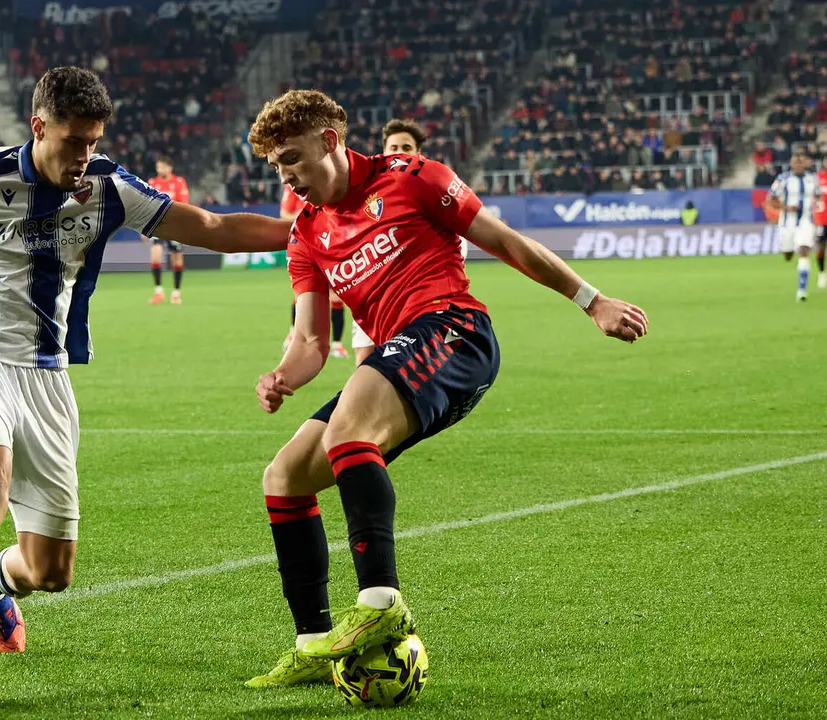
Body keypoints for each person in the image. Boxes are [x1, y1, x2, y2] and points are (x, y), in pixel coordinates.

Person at [0, 66, 291, 705]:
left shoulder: (108, 188)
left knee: (51, 570)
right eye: (72, 142)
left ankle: (2, 587)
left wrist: (321, 232)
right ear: (39, 127)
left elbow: (211, 228)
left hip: (49, 378)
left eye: (93, 141)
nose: (83, 156)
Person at [242, 90, 648, 687]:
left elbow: (505, 240)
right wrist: (282, 377)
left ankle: (382, 604)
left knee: (350, 430)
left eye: (292, 159)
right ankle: (312, 642)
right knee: (284, 476)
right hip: (398, 356)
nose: (287, 176)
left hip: (455, 332)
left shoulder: (413, 178)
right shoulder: (306, 235)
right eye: (276, 166)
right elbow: (310, 342)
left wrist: (592, 302)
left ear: (330, 141)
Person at [350, 119, 432, 365]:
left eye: (406, 148)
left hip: (414, 297)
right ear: (383, 153)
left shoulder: (431, 189)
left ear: (418, 153)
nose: (399, 153)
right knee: (364, 365)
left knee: (414, 368)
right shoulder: (362, 191)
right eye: (393, 148)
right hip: (370, 295)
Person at [280, 184, 348, 359]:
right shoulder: (294, 187)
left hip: (332, 245)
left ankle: (337, 344)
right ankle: (293, 334)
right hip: (306, 247)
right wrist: (308, 218)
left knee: (337, 296)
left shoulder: (325, 182)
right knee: (303, 294)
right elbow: (284, 214)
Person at [764, 153, 821, 302]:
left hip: (806, 221)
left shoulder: (812, 179)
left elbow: (818, 196)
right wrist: (787, 207)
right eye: (795, 163)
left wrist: (818, 206)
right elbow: (770, 200)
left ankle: (802, 290)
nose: (798, 165)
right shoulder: (783, 179)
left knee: (804, 250)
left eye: (801, 163)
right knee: (788, 255)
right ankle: (790, 251)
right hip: (787, 223)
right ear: (791, 165)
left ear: (804, 164)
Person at [145, 157, 190, 304]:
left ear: (170, 168)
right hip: (158, 226)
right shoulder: (153, 182)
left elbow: (183, 204)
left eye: (162, 167)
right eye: (158, 167)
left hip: (175, 226)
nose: (160, 170)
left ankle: (176, 292)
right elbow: (147, 204)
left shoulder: (178, 182)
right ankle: (158, 291)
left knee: (176, 259)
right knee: (155, 256)